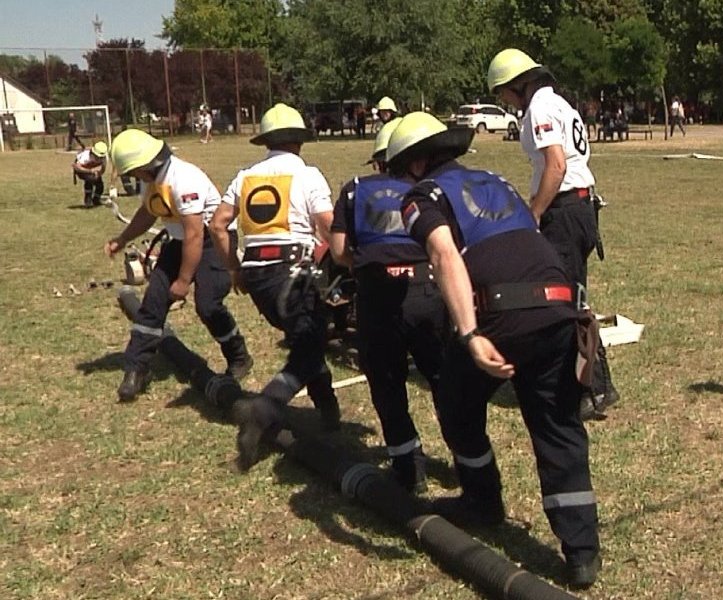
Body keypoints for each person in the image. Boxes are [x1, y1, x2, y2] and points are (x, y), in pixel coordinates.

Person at [388, 111, 602, 589]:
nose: (399, 180)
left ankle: (482, 501)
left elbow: (444, 256)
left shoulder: (423, 196)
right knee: (557, 425)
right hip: (559, 306)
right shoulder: (496, 181)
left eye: (400, 168)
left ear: (419, 163)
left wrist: (469, 333)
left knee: (456, 403)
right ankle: (582, 552)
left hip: (500, 315)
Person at [486, 48, 619, 419]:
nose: (505, 101)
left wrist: (535, 212)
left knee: (566, 300)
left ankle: (591, 387)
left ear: (517, 86)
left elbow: (556, 166)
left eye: (503, 93)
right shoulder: (559, 104)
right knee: (571, 297)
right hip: (579, 208)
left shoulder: (541, 109)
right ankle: (593, 384)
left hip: (565, 210)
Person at [327, 117, 447, 492]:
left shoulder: (355, 189)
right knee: (445, 380)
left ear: (379, 161)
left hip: (378, 293)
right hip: (428, 290)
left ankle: (408, 465)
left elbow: (339, 252)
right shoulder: (430, 191)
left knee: (387, 382)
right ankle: (468, 458)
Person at [209, 103, 342, 431]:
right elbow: (327, 225)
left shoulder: (245, 177)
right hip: (293, 273)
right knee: (309, 347)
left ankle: (328, 412)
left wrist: (234, 268)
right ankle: (265, 406)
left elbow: (218, 224)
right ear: (299, 141)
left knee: (305, 340)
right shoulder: (307, 174)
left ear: (267, 141)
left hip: (257, 277)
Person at [104, 129, 253, 402]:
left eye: (133, 172)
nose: (132, 177)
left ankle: (238, 355)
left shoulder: (183, 178)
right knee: (153, 303)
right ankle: (136, 368)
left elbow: (196, 234)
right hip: (178, 241)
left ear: (144, 165)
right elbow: (148, 213)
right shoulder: (152, 181)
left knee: (208, 305)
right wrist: (122, 239)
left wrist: (184, 281)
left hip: (210, 242)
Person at [72, 141, 108, 207]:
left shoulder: (104, 158)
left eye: (100, 157)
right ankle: (88, 199)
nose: (99, 159)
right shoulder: (85, 156)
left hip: (90, 169)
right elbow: (76, 166)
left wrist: (99, 174)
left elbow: (103, 168)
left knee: (100, 185)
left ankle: (96, 200)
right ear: (92, 153)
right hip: (81, 169)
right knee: (90, 179)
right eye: (97, 157)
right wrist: (90, 171)